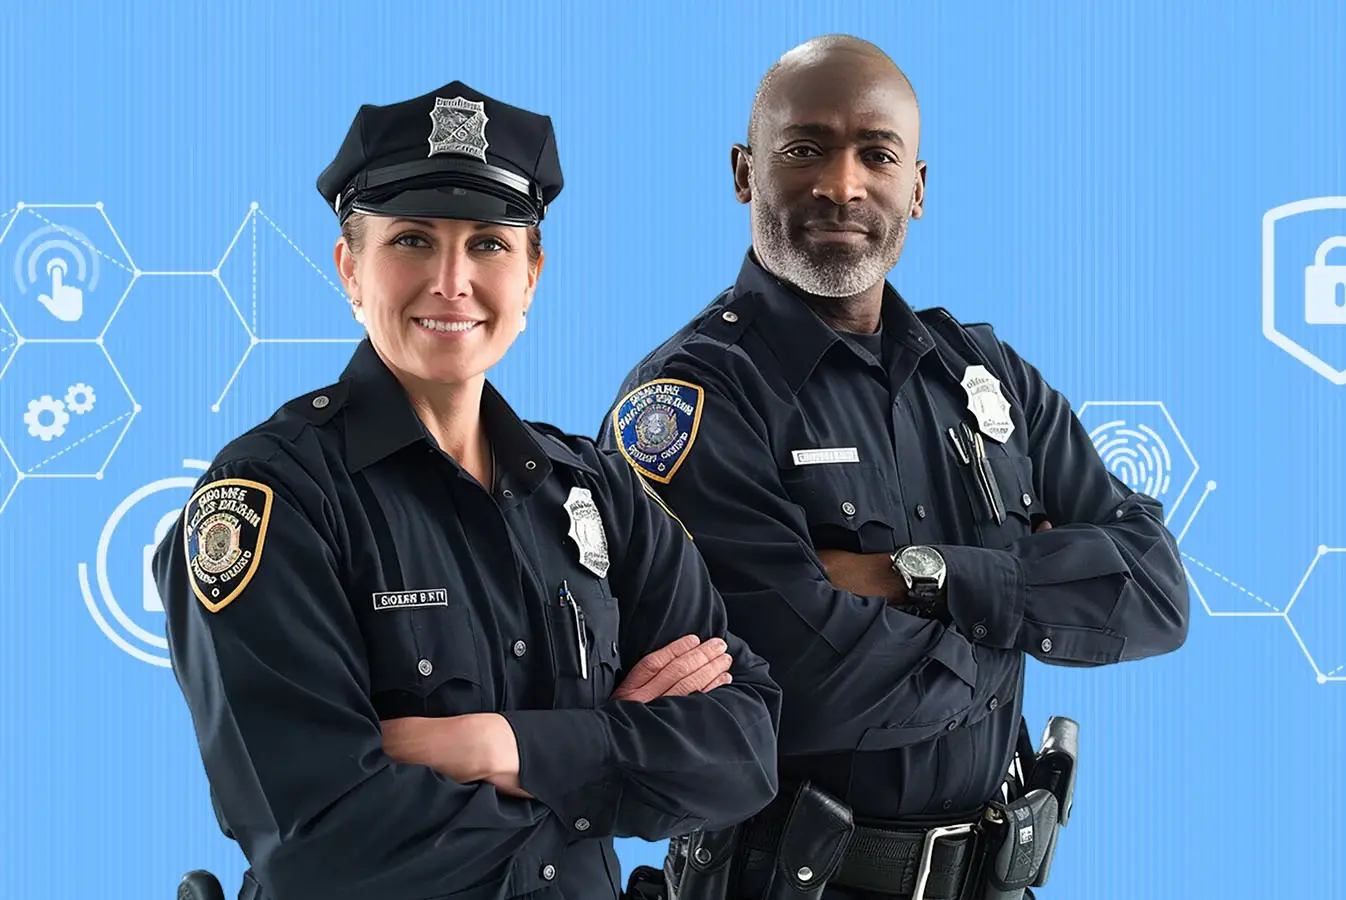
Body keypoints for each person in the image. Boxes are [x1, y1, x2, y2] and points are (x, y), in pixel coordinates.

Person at [154, 80, 781, 900]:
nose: (452, 280)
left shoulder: (593, 488)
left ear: (531, 276)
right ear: (350, 268)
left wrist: (500, 746)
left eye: (489, 243)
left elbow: (745, 748)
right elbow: (323, 843)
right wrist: (603, 769)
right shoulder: (271, 501)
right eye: (412, 239)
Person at [598, 36, 1190, 900]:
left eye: (877, 153)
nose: (842, 184)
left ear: (916, 188)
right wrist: (1027, 619)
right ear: (743, 171)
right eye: (805, 148)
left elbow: (1157, 594)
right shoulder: (686, 399)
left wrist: (923, 577)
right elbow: (796, 688)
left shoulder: (988, 375)